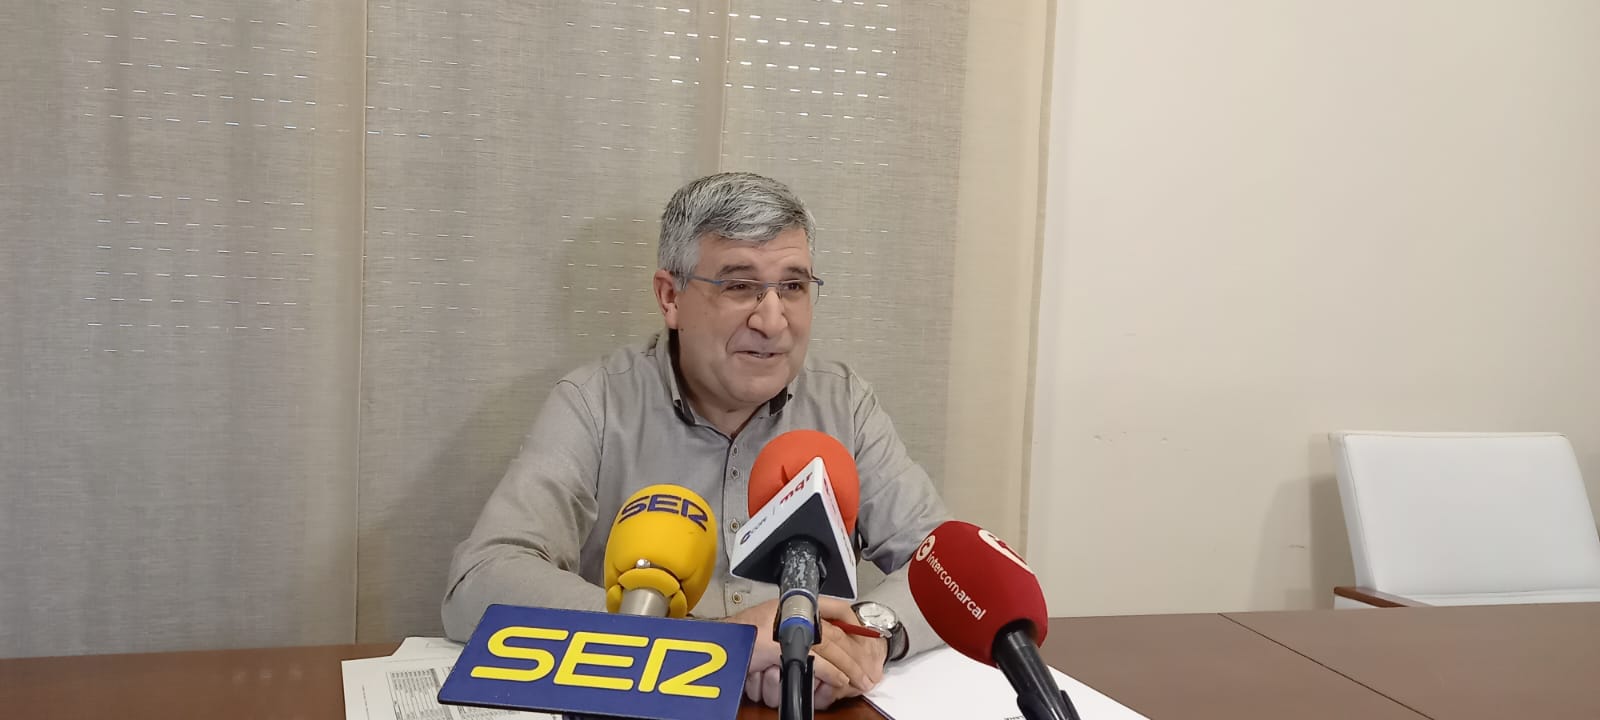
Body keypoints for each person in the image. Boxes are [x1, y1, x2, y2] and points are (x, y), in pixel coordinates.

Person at [442, 172, 950, 709]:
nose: (772, 320)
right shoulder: (597, 402)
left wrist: (867, 635)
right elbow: (480, 580)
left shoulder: (844, 403)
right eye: (739, 286)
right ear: (671, 298)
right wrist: (714, 647)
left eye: (793, 287)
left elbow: (947, 569)